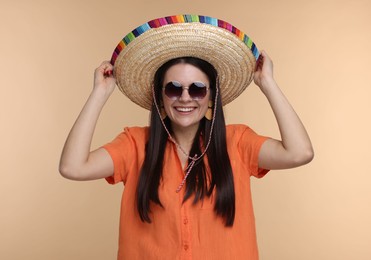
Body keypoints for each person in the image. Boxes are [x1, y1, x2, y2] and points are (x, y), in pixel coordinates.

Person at [59, 14, 313, 260]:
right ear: (160, 97)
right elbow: (73, 167)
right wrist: (99, 95)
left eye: (198, 89)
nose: (185, 97)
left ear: (212, 96)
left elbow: (299, 152)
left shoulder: (237, 141)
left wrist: (268, 83)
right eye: (173, 88)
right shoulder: (134, 145)